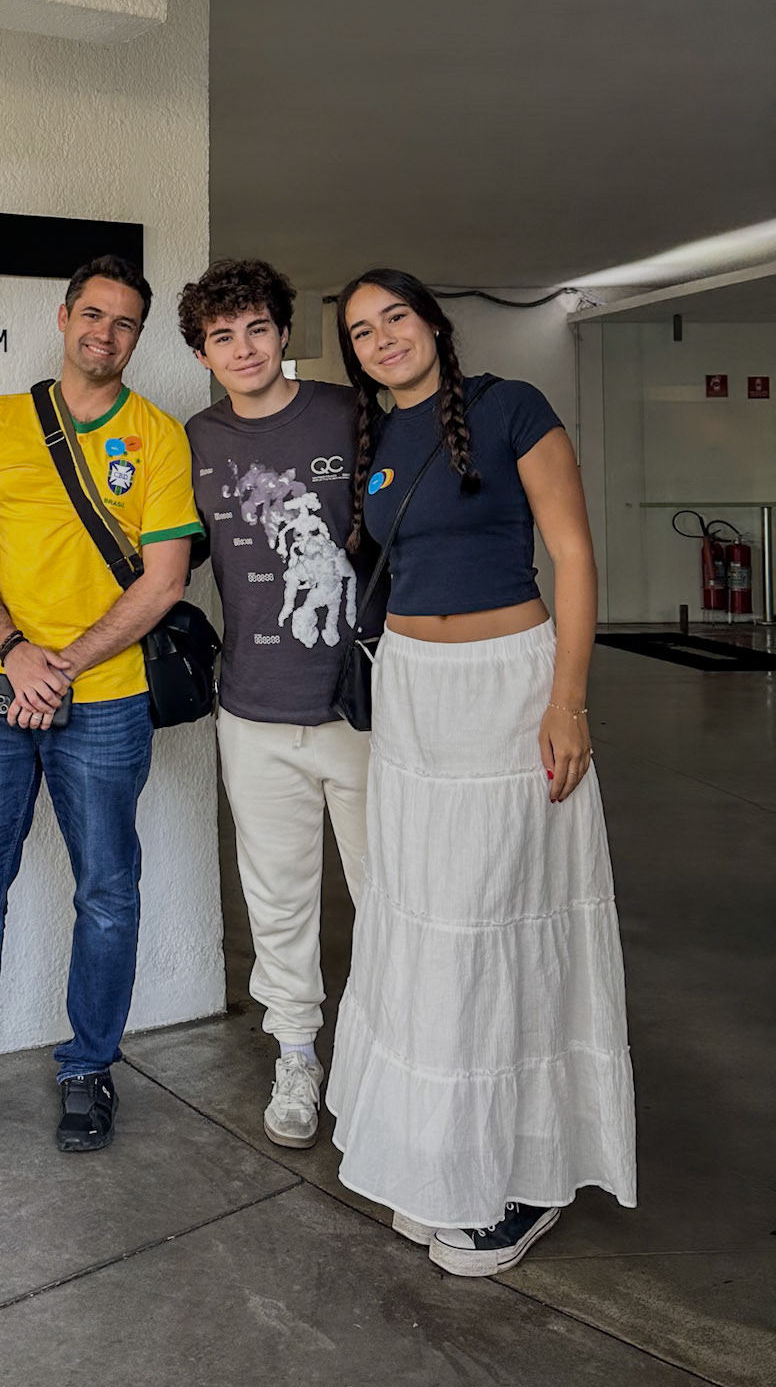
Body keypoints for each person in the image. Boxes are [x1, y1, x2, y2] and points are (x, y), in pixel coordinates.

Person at [325, 269, 636, 1276]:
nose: (382, 339)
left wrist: (567, 698)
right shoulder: (376, 442)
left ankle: (524, 1176)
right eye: (361, 331)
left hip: (510, 686)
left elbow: (574, 555)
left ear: (434, 323)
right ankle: (443, 1153)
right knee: (425, 921)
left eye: (396, 317)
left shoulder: (512, 408)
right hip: (414, 696)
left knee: (500, 920)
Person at [0, 255, 204, 1154]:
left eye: (124, 322)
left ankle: (88, 1069)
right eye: (93, 314)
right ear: (64, 317)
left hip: (106, 701)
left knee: (107, 892)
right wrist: (16, 651)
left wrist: (61, 664)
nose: (105, 334)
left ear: (136, 338)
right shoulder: (2, 421)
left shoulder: (157, 437)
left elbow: (166, 580)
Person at [179, 259, 377, 1150]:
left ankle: (382, 1060)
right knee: (279, 898)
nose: (244, 348)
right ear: (202, 353)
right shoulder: (198, 438)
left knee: (388, 894)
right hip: (252, 709)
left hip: (360, 707)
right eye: (223, 336)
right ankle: (297, 1055)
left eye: (257, 328)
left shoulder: (350, 412)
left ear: (284, 333)